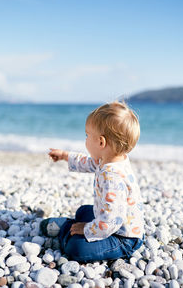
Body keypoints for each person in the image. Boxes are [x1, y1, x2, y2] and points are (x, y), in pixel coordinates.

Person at [40, 101, 144, 262]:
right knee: (83, 211)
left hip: (123, 237)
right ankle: (73, 225)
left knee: (77, 249)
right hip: (114, 221)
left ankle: (65, 229)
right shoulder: (111, 159)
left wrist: (87, 229)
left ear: (101, 142)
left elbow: (111, 221)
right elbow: (87, 162)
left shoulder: (113, 178)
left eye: (87, 135)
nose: (86, 139)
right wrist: (64, 155)